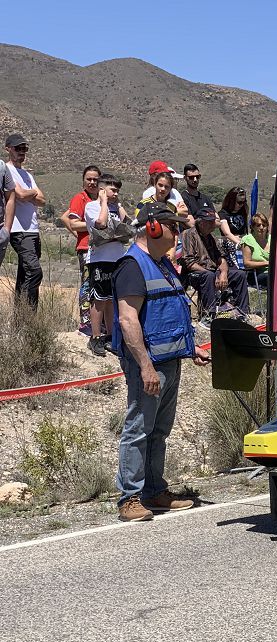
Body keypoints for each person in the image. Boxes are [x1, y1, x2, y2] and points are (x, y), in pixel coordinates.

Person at [111, 202, 209, 522]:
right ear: (153, 227)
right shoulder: (132, 265)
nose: (178, 232)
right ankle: (130, 498)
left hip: (170, 360)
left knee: (158, 430)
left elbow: (169, 313)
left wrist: (190, 348)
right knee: (139, 428)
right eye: (173, 226)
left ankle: (154, 491)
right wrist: (145, 366)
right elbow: (128, 321)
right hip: (150, 365)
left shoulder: (163, 264)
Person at [84, 174, 132, 357]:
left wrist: (118, 206)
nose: (116, 193)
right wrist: (103, 201)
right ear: (103, 190)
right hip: (100, 258)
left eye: (118, 190)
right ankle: (95, 336)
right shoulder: (92, 206)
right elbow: (101, 223)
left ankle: (111, 336)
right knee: (99, 298)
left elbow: (127, 225)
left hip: (117, 257)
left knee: (112, 298)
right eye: (112, 190)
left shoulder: (116, 207)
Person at [181, 206, 250, 320]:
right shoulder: (188, 234)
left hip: (213, 272)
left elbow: (221, 258)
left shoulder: (211, 237)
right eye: (209, 222)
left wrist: (223, 273)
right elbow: (189, 263)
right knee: (209, 276)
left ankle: (242, 311)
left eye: (213, 221)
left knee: (239, 275)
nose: (213, 225)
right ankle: (209, 315)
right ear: (201, 222)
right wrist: (213, 275)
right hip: (194, 273)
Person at [4, 133, 46, 310]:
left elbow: (42, 200)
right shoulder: (6, 170)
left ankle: (21, 322)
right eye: (18, 148)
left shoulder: (27, 175)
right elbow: (19, 195)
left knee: (24, 274)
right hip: (18, 230)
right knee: (34, 272)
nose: (22, 152)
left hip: (33, 230)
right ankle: (26, 315)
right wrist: (32, 193)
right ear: (8, 149)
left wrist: (28, 194)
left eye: (24, 149)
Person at [60, 166, 102, 332]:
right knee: (87, 284)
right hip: (86, 249)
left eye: (95, 179)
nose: (92, 182)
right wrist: (94, 226)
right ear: (83, 181)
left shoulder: (102, 198)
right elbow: (72, 223)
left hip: (103, 249)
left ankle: (99, 322)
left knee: (100, 286)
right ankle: (85, 322)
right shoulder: (80, 198)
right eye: (88, 179)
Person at [217, 187, 249, 266]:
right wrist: (239, 243)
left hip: (243, 241)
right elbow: (227, 233)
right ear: (231, 201)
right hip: (231, 244)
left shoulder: (243, 211)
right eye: (239, 202)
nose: (241, 205)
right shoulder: (223, 213)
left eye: (243, 202)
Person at [240, 212, 271, 287]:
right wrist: (267, 263)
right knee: (273, 277)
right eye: (258, 225)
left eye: (264, 225)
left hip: (273, 271)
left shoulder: (271, 239)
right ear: (253, 227)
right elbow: (247, 263)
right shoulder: (248, 240)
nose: (261, 228)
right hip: (256, 274)